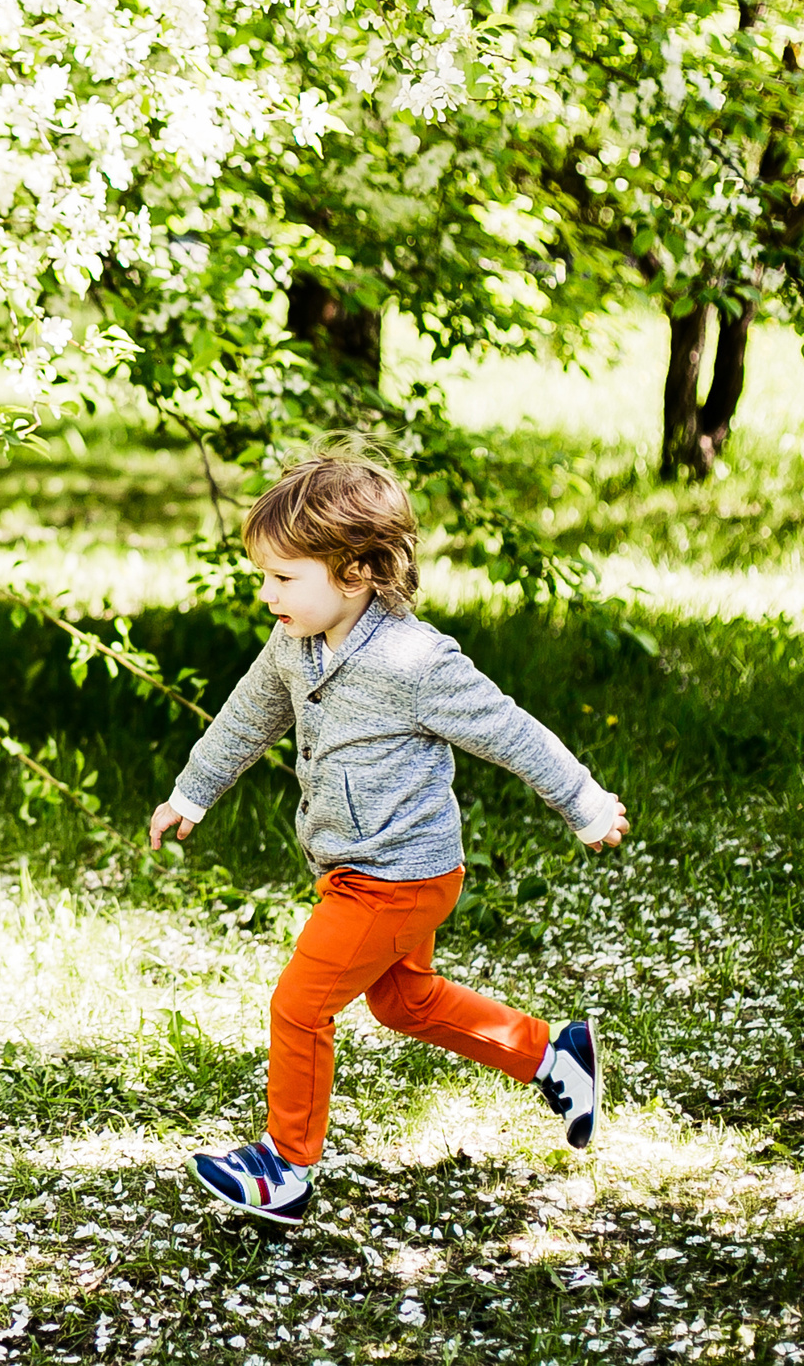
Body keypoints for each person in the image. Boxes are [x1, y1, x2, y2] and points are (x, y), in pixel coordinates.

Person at [148, 442, 630, 1225]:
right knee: (404, 1004)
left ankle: (285, 1167)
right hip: (351, 868)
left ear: (356, 570)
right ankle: (551, 1054)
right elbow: (248, 716)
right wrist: (193, 791)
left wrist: (584, 801)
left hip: (400, 876)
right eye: (263, 575)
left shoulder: (416, 662)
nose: (266, 592)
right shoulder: (294, 643)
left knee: (300, 1005)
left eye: (282, 578)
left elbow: (509, 731)